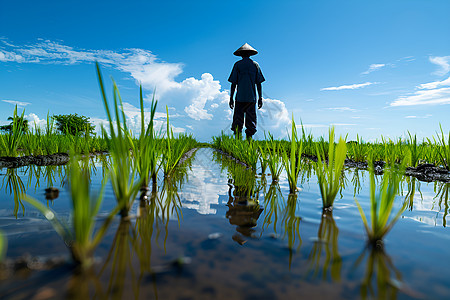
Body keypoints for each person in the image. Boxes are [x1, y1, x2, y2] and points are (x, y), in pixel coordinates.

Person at [228, 43, 265, 140]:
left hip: (240, 97)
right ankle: (249, 142)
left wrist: (231, 98)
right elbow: (259, 83)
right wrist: (260, 98)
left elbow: (233, 83)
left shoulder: (237, 65)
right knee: (251, 120)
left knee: (237, 120)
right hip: (251, 98)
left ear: (241, 54)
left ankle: (238, 141)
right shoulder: (255, 65)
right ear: (250, 54)